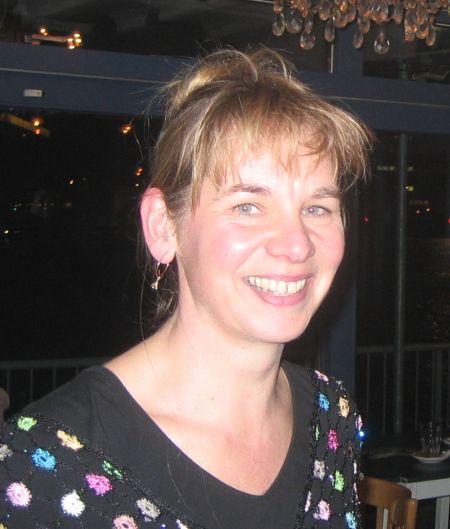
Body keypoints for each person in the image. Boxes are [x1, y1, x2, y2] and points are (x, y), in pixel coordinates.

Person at [0, 48, 372, 529]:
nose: (297, 244)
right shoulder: (43, 463)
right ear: (164, 227)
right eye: (247, 206)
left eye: (317, 208)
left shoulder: (331, 416)